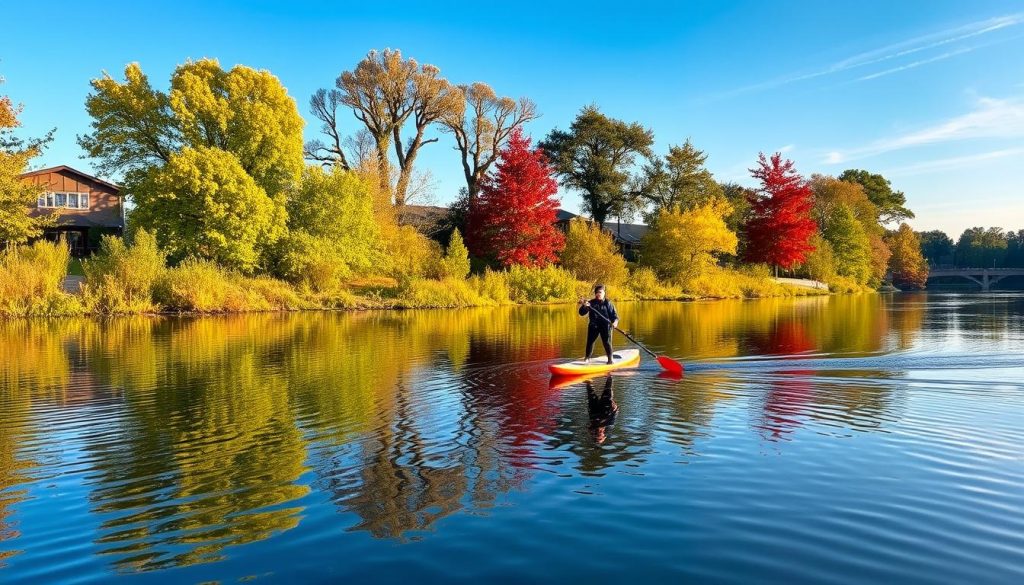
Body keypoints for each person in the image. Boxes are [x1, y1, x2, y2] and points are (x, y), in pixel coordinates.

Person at [577, 283, 619, 364]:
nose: (599, 294)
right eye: (597, 292)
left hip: (606, 326)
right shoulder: (590, 303)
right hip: (594, 325)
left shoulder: (608, 303)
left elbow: (615, 316)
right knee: (590, 342)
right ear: (595, 293)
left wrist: (615, 322)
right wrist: (585, 306)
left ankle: (610, 360)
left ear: (604, 293)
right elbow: (581, 313)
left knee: (607, 342)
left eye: (600, 292)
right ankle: (587, 358)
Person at [586, 376, 618, 444]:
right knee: (607, 392)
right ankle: (609, 374)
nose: (597, 434)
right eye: (599, 436)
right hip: (605, 410)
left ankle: (588, 379)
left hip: (594, 412)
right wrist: (615, 409)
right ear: (603, 435)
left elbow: (588, 426)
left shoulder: (592, 431)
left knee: (591, 395)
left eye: (596, 436)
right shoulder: (609, 426)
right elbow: (614, 416)